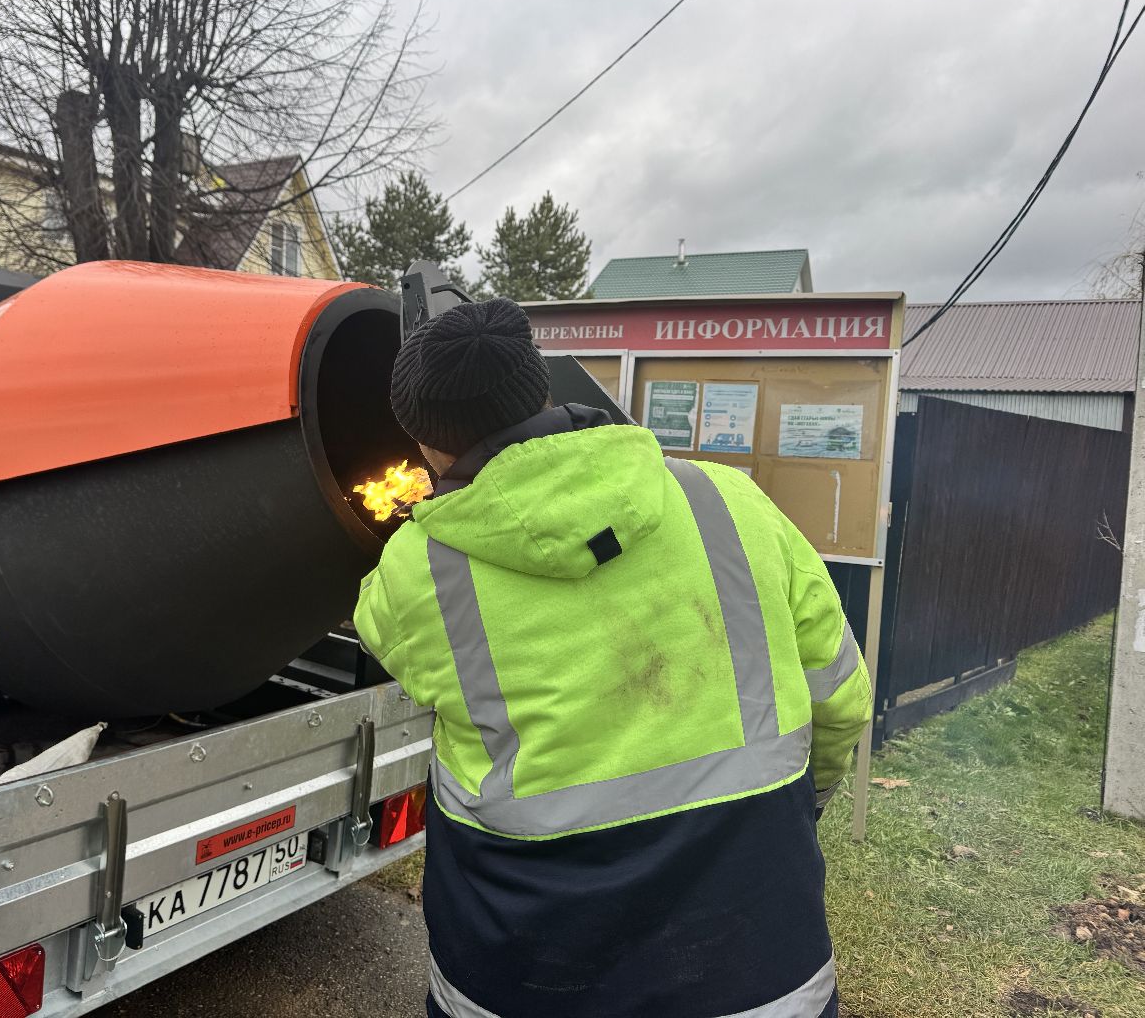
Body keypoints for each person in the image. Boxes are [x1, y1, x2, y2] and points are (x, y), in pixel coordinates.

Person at [353, 298, 873, 1018]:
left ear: (429, 449)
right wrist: (798, 805)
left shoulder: (420, 571)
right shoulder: (732, 501)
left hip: (523, 972)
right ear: (545, 390)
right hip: (758, 966)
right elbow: (841, 698)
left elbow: (382, 630)